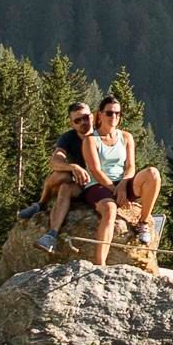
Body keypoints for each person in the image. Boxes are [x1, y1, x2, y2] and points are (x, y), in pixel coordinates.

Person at [73, 99, 163, 267]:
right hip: (98, 185)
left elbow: (130, 166)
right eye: (109, 113)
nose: (113, 116)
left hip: (121, 182)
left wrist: (123, 185)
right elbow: (95, 170)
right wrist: (115, 190)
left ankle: (143, 221)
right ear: (100, 115)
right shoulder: (90, 140)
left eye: (117, 113)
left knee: (153, 174)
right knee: (110, 209)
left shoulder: (126, 137)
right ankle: (100, 264)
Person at [32, 104, 100, 251]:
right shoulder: (69, 137)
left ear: (92, 117)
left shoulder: (101, 135)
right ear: (72, 124)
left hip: (100, 184)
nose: (83, 122)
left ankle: (42, 207)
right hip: (81, 184)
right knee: (62, 180)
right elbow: (55, 161)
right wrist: (73, 167)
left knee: (64, 182)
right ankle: (51, 234)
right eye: (77, 120)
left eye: (85, 117)